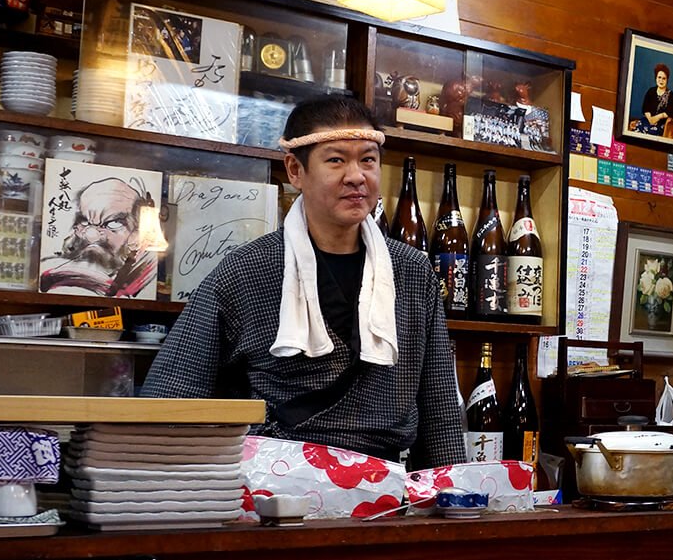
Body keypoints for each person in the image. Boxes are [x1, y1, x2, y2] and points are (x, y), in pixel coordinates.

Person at [141, 96, 467, 468]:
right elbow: (171, 396)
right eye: (335, 159)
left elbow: (440, 410)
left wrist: (447, 499)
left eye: (368, 159)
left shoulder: (413, 271)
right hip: (274, 489)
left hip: (386, 490)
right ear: (295, 170)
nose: (356, 176)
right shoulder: (246, 270)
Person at [39, 177, 158, 297]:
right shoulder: (51, 270)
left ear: (137, 234)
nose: (92, 236)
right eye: (85, 222)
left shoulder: (145, 276)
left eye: (113, 223)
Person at [636, 63, 673, 137]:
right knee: (638, 130)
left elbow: (671, 112)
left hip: (661, 124)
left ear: (667, 80)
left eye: (664, 78)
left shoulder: (670, 94)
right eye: (659, 77)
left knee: (651, 133)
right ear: (656, 78)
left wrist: (657, 117)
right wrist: (650, 119)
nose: (661, 80)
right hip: (648, 120)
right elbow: (645, 108)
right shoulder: (651, 91)